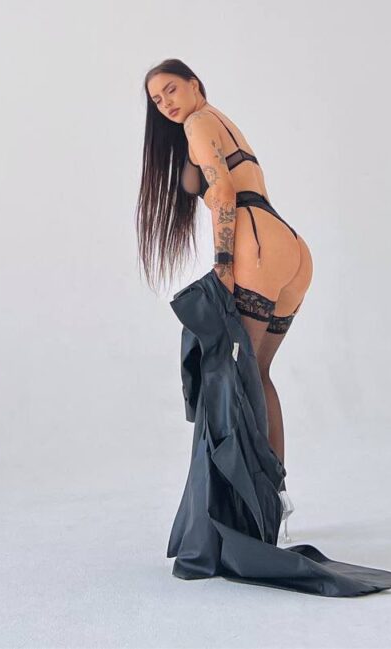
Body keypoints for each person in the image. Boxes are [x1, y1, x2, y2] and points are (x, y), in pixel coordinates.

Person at [135, 57, 313, 540]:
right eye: (157, 100)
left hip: (256, 245)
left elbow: (223, 190)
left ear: (195, 85)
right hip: (291, 250)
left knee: (238, 380)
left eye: (172, 90)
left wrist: (223, 262)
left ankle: (256, 509)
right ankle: (275, 500)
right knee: (258, 374)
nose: (166, 103)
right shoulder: (217, 121)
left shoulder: (198, 121)